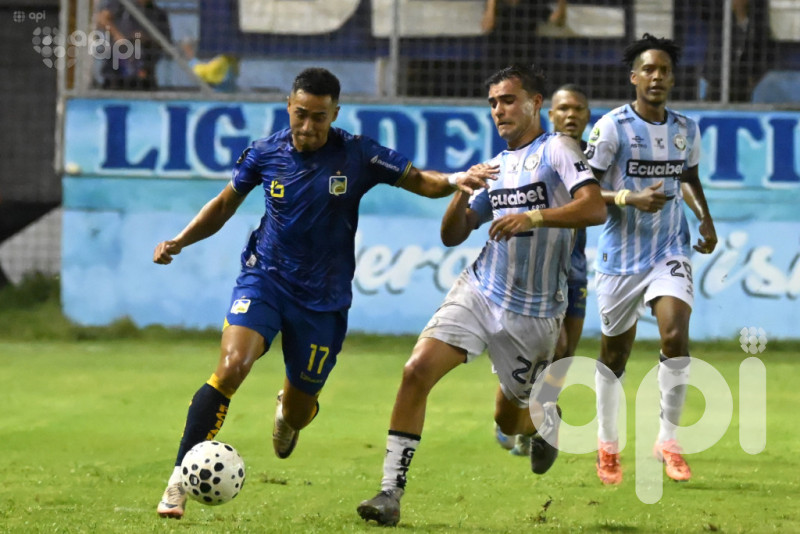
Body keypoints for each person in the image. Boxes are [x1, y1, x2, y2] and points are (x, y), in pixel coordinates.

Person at [152, 67, 493, 520]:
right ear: (288, 107)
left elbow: (421, 182)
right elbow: (223, 205)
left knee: (299, 408)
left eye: (318, 117)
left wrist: (455, 180)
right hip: (265, 278)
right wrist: (180, 240)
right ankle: (178, 479)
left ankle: (287, 416)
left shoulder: (358, 154)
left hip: (323, 300)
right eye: (300, 115)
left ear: (335, 112)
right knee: (232, 366)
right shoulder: (264, 152)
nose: (308, 126)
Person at [357, 64, 606, 527]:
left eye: (508, 100)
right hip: (480, 288)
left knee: (509, 422)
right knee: (415, 372)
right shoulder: (495, 168)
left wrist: (535, 217)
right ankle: (390, 492)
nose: (498, 110)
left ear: (535, 103)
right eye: (492, 102)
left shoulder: (558, 149)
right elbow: (453, 235)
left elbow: (594, 208)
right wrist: (462, 189)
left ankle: (541, 421)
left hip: (534, 314)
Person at [584, 34, 718, 485]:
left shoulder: (686, 128)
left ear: (672, 78)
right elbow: (582, 192)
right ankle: (607, 444)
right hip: (620, 258)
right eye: (650, 69)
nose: (657, 76)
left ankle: (669, 440)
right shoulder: (612, 128)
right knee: (613, 359)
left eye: (665, 69)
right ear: (634, 77)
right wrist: (627, 197)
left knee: (675, 335)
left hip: (669, 249)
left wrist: (704, 218)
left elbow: (689, 177)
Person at [494, 83, 591, 457]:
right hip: (533, 271)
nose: (570, 115)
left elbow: (601, 199)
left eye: (578, 109)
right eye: (563, 108)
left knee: (564, 355)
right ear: (549, 113)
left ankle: (538, 418)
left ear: (587, 116)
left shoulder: (590, 158)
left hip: (573, 269)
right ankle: (529, 419)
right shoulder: (541, 153)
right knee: (540, 349)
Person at [93, 0, 171, 90]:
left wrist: (146, 39)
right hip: (116, 72)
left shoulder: (159, 14)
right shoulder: (121, 4)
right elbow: (101, 19)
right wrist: (118, 36)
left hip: (144, 73)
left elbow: (166, 44)